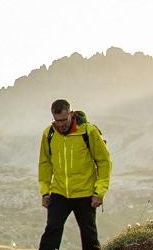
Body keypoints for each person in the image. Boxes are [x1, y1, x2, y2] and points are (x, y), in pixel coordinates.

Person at [37, 99, 112, 250]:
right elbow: (45, 164)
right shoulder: (49, 134)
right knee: (51, 233)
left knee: (89, 237)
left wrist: (100, 191)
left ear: (71, 114)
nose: (60, 124)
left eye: (64, 120)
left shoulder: (88, 131)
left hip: (85, 193)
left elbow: (104, 162)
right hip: (59, 193)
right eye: (56, 120)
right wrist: (45, 192)